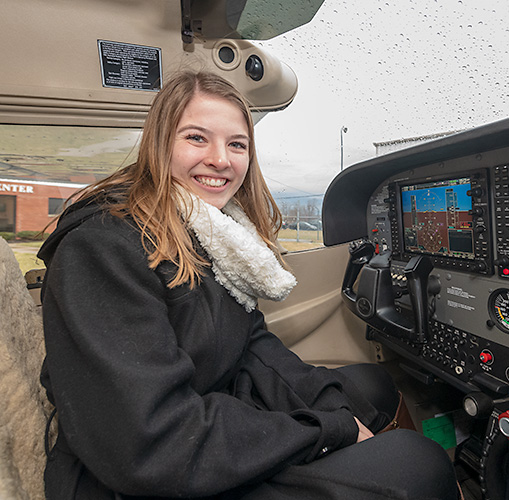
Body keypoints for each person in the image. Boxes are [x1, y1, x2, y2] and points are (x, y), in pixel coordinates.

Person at [37, 71, 460, 500]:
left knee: (368, 387)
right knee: (416, 464)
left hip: (195, 416)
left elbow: (253, 347)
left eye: (237, 144)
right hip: (138, 472)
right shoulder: (102, 249)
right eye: (197, 138)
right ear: (159, 144)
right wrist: (330, 431)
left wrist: (340, 411)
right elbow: (150, 441)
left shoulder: (207, 236)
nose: (221, 159)